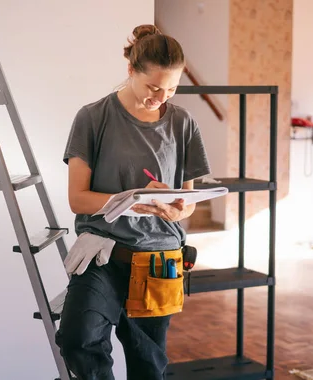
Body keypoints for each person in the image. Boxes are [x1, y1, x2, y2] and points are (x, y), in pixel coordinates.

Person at [55, 24, 211, 380]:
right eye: (153, 87)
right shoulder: (93, 118)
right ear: (131, 71)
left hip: (160, 261)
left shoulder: (184, 123)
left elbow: (187, 202)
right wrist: (128, 201)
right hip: (103, 254)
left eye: (171, 89)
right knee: (78, 340)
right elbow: (78, 199)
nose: (161, 98)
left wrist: (177, 208)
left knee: (148, 366)